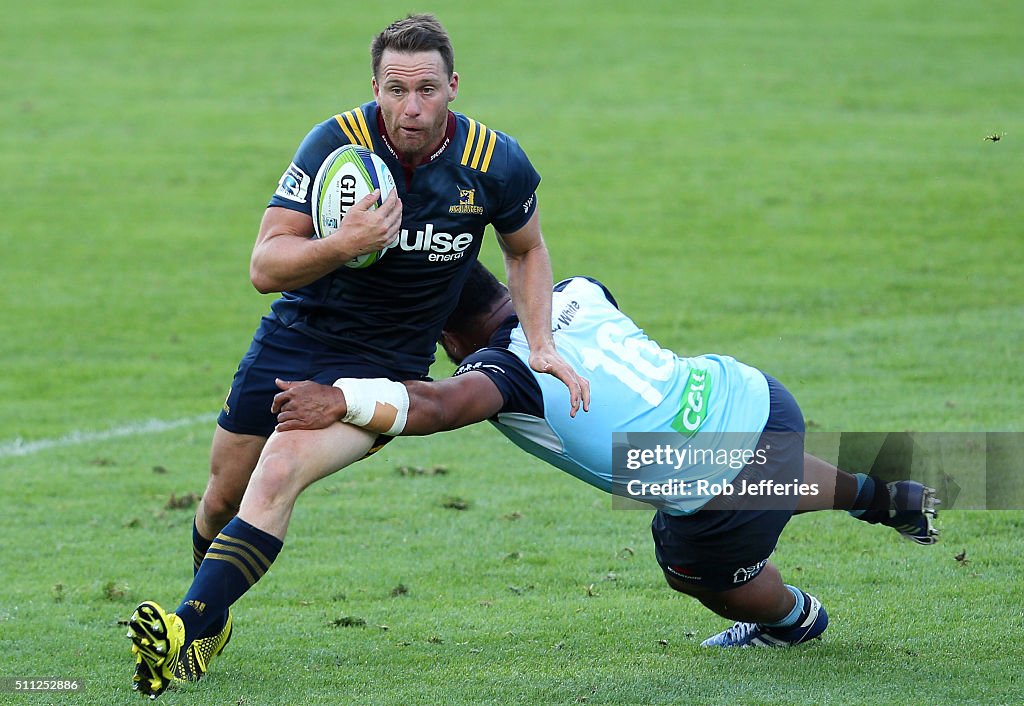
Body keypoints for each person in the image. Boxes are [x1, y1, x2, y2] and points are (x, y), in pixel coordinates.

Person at [126, 14, 588, 699]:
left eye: (427, 89)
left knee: (281, 468)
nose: (412, 107)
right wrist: (344, 243)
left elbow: (526, 249)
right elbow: (264, 263)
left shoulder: (494, 162)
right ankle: (213, 621)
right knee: (222, 496)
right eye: (396, 89)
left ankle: (186, 625)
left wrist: (541, 343)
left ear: (453, 87)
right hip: (295, 338)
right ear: (374, 86)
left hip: (385, 368)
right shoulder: (332, 145)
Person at [272, 262, 939, 650]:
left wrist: (341, 398)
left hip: (712, 482)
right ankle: (885, 498)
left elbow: (442, 406)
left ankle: (792, 620)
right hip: (751, 393)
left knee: (690, 567)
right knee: (728, 463)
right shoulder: (579, 289)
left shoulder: (502, 372)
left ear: (447, 331)